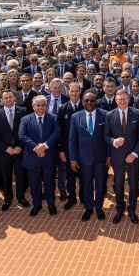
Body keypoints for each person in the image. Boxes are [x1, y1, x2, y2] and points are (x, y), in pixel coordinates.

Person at [105, 90, 139, 224]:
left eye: (125, 99)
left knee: (133, 184)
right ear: (116, 100)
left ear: (129, 100)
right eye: (120, 99)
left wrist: (134, 154)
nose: (122, 101)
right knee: (119, 184)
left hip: (133, 156)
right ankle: (120, 209)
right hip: (117, 156)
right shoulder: (110, 115)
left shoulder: (137, 114)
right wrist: (114, 142)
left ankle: (132, 210)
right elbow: (106, 136)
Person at [70, 90, 109, 221]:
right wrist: (73, 158)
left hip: (100, 157)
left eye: (92, 100)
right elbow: (72, 139)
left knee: (100, 183)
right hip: (83, 157)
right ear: (82, 102)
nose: (89, 102)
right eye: (86, 100)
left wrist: (109, 156)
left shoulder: (105, 115)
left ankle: (98, 207)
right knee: (86, 183)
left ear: (96, 102)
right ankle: (88, 208)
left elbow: (108, 138)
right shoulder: (75, 117)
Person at [19, 95, 60, 216]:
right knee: (34, 183)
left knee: (50, 182)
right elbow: (22, 135)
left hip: (49, 156)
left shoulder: (53, 118)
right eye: (38, 105)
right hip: (32, 157)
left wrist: (45, 146)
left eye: (43, 105)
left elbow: (57, 132)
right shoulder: (25, 119)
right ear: (33, 107)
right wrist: (36, 147)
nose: (41, 107)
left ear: (46, 106)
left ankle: (51, 203)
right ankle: (37, 204)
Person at [0, 90, 29, 210]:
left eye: (10, 97)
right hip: (4, 152)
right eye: (5, 98)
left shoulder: (23, 111)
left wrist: (20, 147)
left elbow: (27, 131)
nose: (8, 99)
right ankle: (8, 199)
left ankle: (21, 197)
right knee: (6, 177)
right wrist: (6, 148)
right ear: (2, 100)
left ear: (14, 98)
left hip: (19, 151)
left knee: (20, 176)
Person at [58, 82, 83, 210]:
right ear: (68, 92)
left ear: (80, 91)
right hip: (69, 148)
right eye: (71, 91)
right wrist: (61, 150)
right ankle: (71, 198)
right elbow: (60, 131)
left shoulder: (86, 106)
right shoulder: (63, 108)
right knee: (70, 174)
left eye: (76, 91)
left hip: (83, 148)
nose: (74, 93)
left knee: (84, 174)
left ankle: (84, 197)